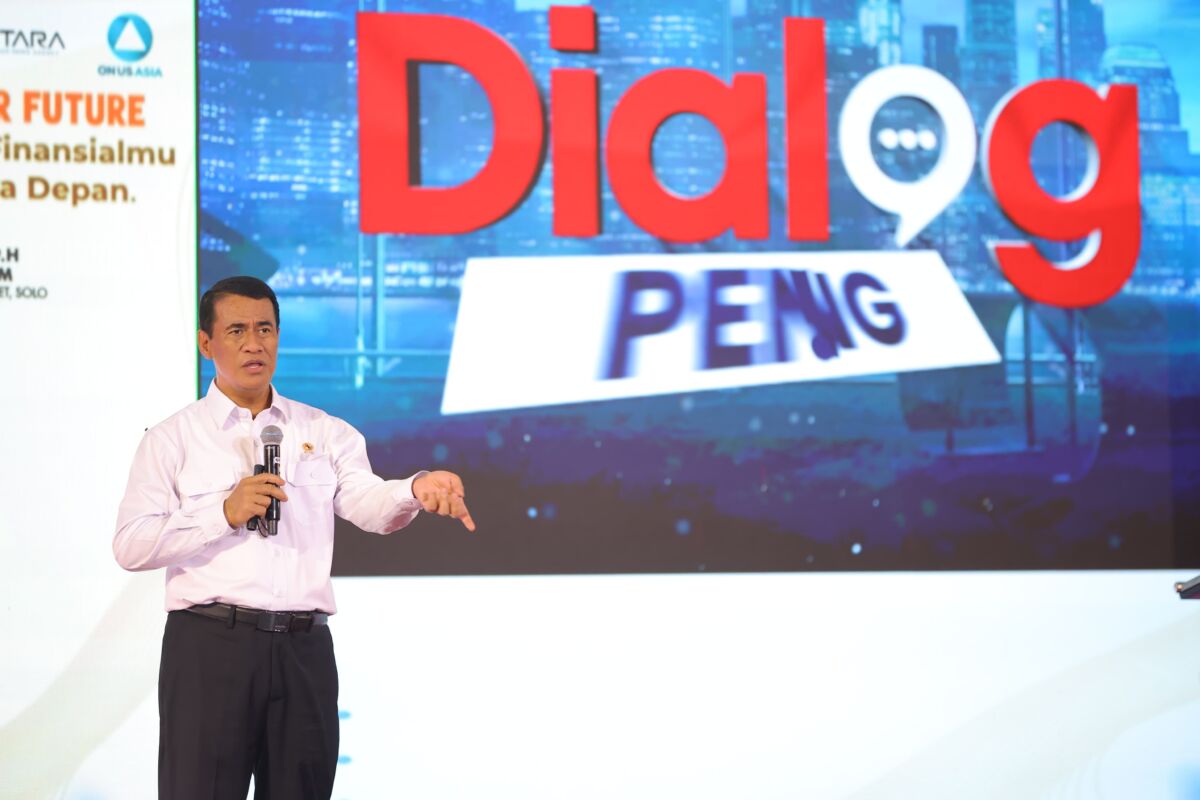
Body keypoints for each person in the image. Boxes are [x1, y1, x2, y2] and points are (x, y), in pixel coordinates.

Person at [113, 276, 474, 799]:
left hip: (304, 650)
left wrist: (414, 488)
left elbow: (369, 505)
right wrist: (223, 512)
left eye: (265, 329)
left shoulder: (323, 431)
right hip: (210, 647)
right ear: (206, 343)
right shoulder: (172, 439)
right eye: (236, 330)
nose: (253, 344)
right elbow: (131, 544)